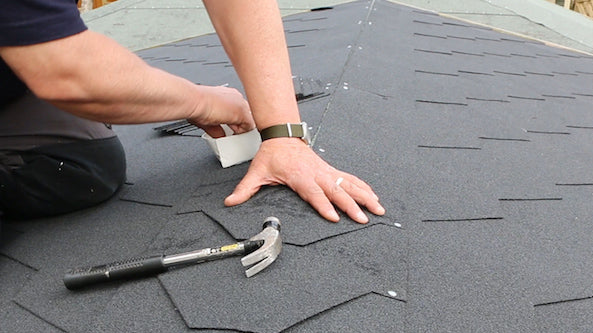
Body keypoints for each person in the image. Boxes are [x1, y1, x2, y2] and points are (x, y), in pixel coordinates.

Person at [0, 0, 385, 224]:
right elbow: (66, 71)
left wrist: (283, 137)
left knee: (83, 167)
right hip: (32, 63)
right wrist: (203, 102)